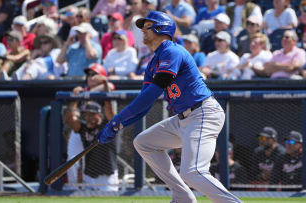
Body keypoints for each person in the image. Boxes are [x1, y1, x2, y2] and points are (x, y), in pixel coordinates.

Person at [96, 10, 242, 203]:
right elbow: (144, 103)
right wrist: (117, 125)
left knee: (193, 172)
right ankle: (183, 197)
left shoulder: (171, 50)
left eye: (147, 27)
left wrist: (119, 119)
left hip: (203, 112)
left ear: (161, 28)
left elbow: (153, 92)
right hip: (184, 118)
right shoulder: (152, 63)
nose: (143, 32)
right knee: (143, 142)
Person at [64, 63, 116, 189]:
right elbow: (73, 115)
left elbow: (109, 85)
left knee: (102, 161)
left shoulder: (106, 86)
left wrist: (89, 91)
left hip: (101, 130)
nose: (90, 77)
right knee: (72, 159)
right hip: (83, 128)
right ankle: (73, 187)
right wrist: (77, 95)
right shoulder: (81, 90)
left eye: (94, 74)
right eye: (88, 74)